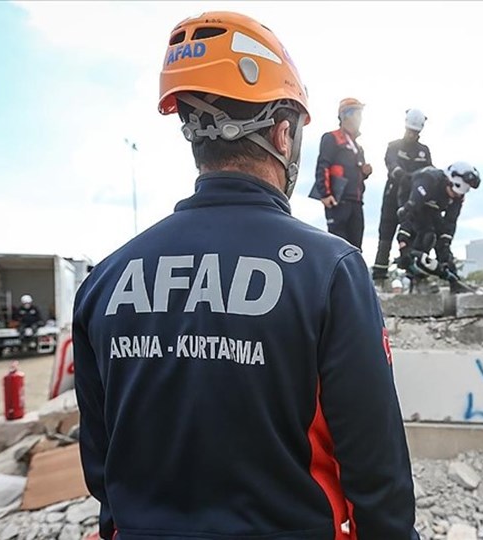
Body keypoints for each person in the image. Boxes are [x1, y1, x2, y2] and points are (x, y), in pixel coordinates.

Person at [72, 11, 418, 540]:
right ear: (284, 134)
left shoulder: (105, 280)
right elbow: (376, 470)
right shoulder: (331, 271)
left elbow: (102, 466)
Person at [395, 162, 481, 293]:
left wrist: (445, 251)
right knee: (426, 236)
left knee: (442, 241)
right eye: (452, 192)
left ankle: (455, 281)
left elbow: (450, 223)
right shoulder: (428, 181)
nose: (454, 196)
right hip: (409, 201)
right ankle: (418, 279)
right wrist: (403, 241)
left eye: (458, 195)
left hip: (431, 208)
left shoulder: (458, 196)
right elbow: (408, 214)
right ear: (448, 181)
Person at [372, 109, 433, 285]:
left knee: (412, 238)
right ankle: (379, 279)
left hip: (414, 200)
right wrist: (401, 175)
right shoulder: (394, 146)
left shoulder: (424, 151)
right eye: (409, 131)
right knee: (386, 236)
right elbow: (391, 163)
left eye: (415, 132)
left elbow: (429, 172)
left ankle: (416, 278)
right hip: (392, 196)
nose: (411, 135)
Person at [310, 98, 373, 249]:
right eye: (358, 114)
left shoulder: (359, 147)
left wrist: (365, 172)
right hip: (338, 201)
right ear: (347, 115)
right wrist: (325, 194)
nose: (361, 119)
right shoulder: (331, 138)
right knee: (338, 246)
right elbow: (323, 165)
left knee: (355, 248)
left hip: (356, 202)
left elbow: (357, 174)